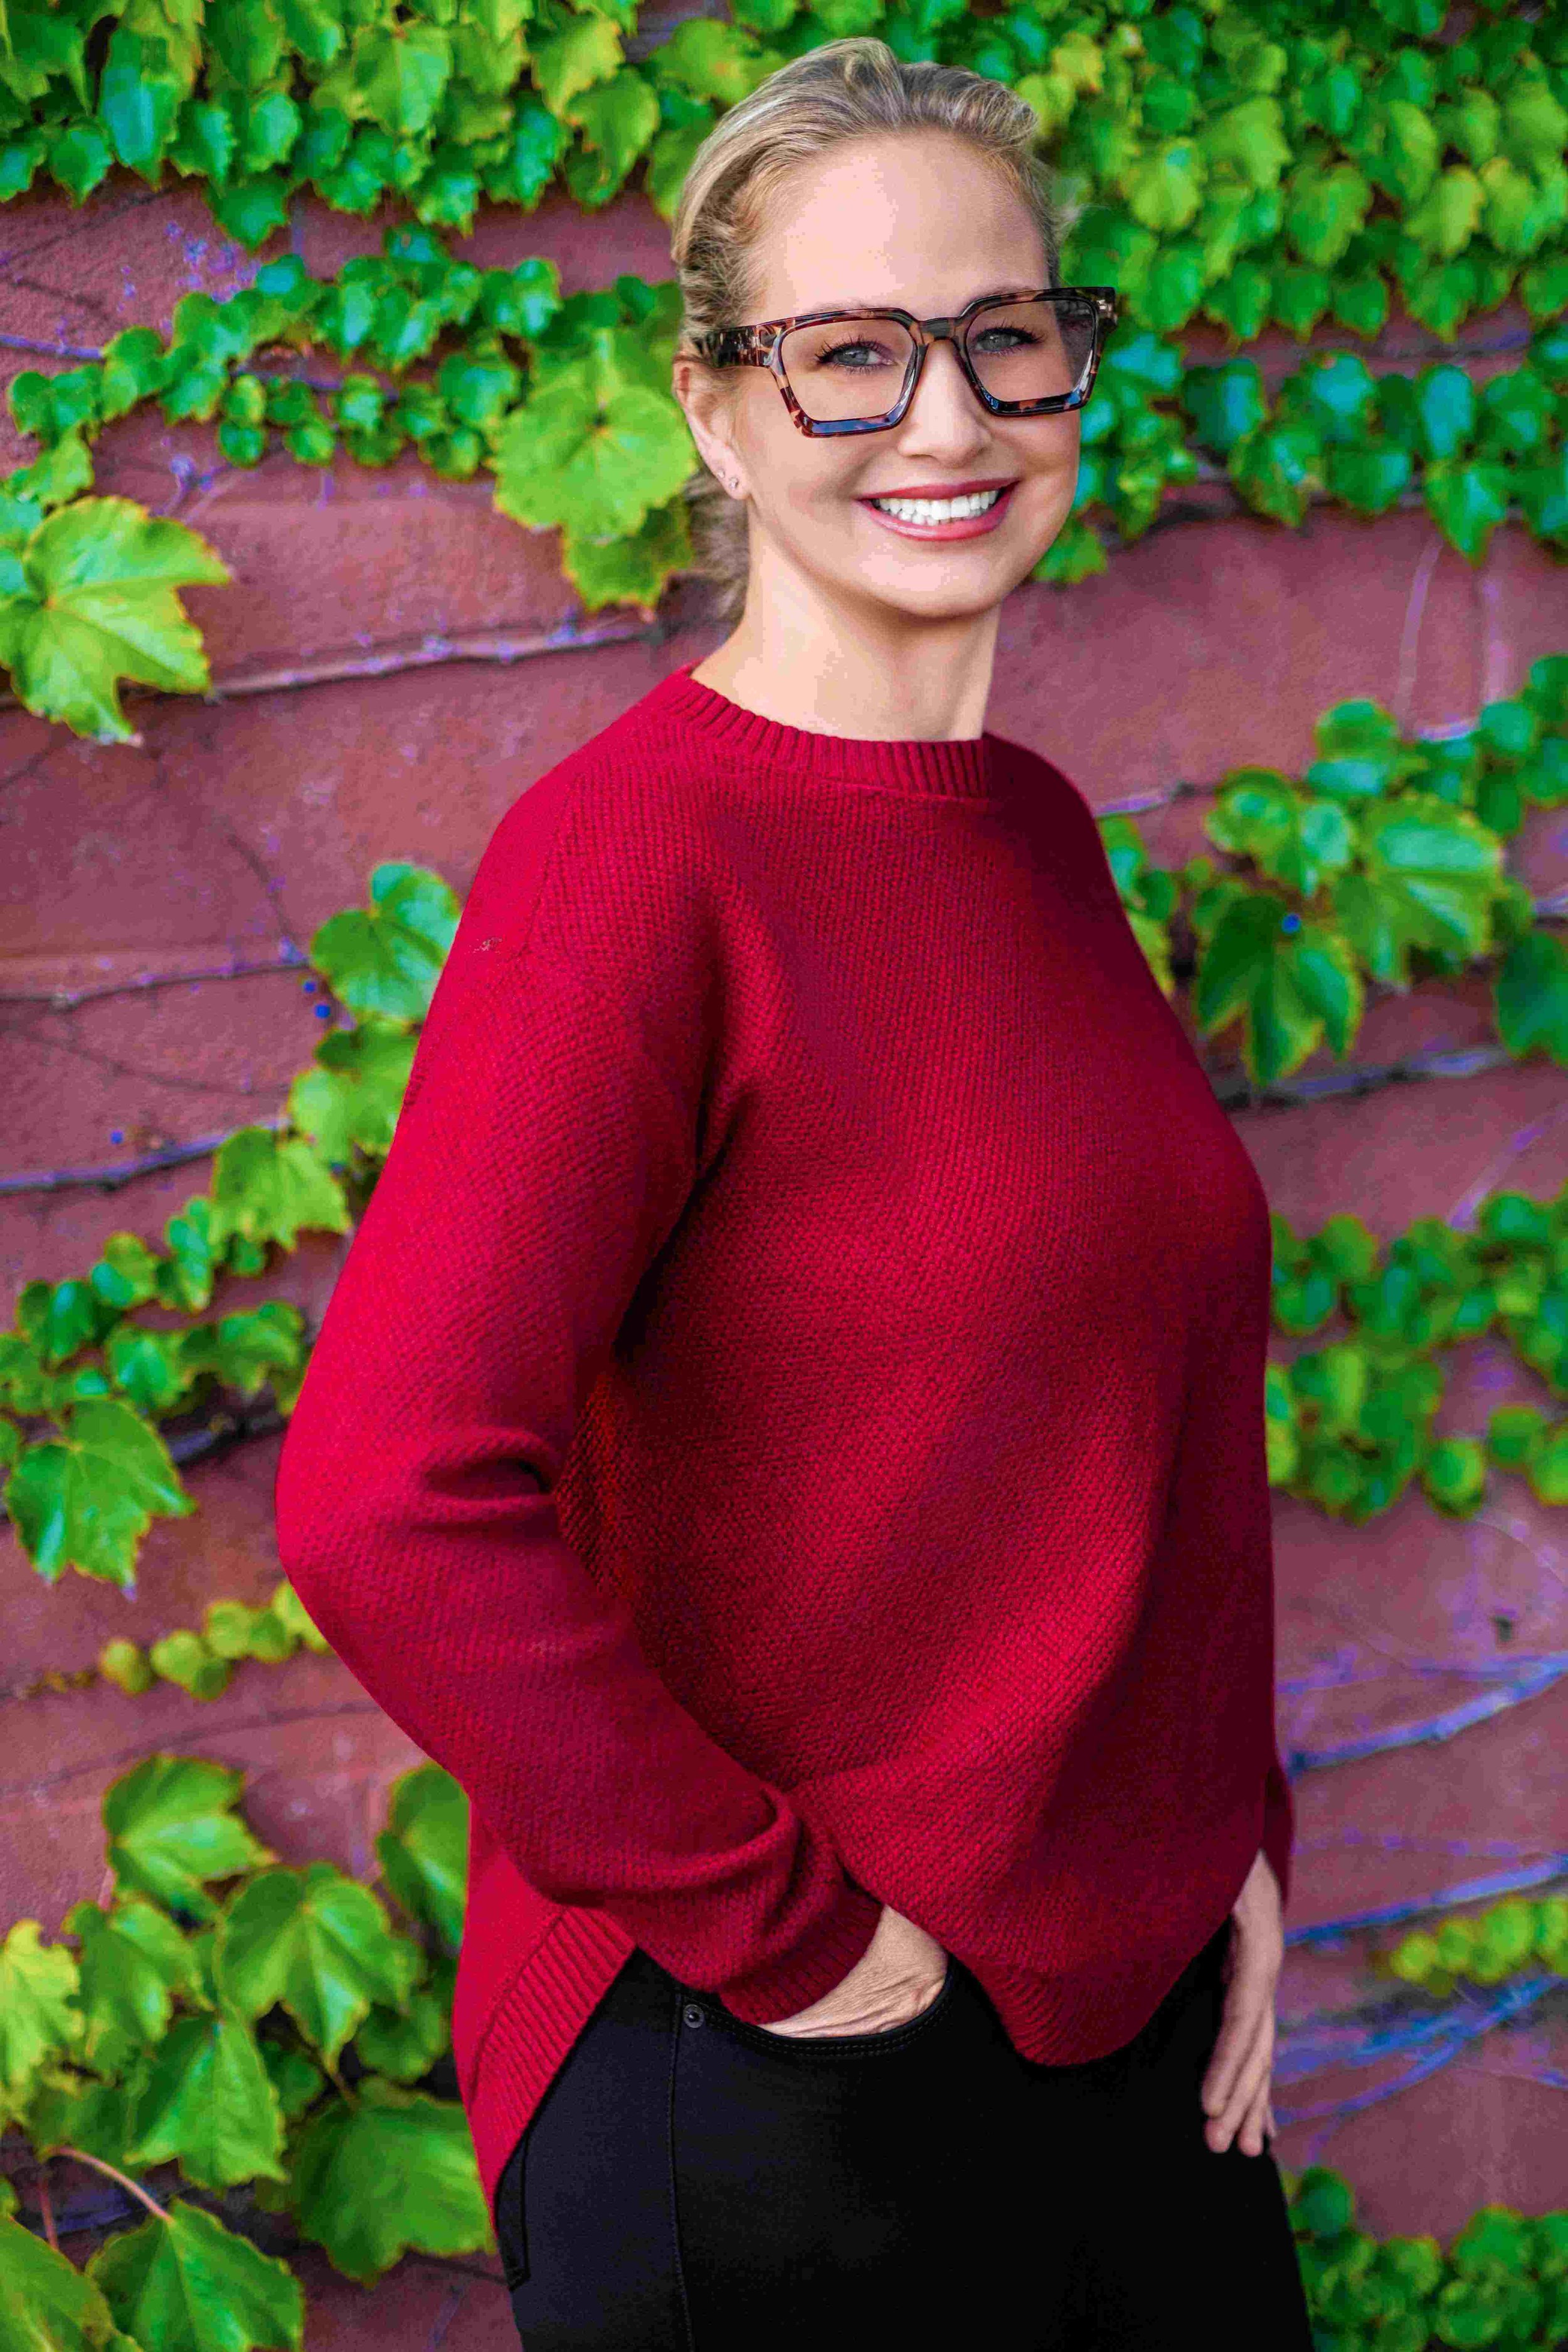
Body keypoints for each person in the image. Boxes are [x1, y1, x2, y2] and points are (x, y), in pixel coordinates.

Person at [273, 35, 1313, 2352]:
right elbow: (385, 1498)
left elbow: (1125, 1411)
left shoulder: (1034, 839)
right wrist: (807, 1947)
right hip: (776, 2068)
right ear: (718, 412)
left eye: (999, 338)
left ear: (1069, 367)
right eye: (848, 357)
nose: (942, 424)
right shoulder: (640, 863)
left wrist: (1229, 1830)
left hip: (1121, 2038)